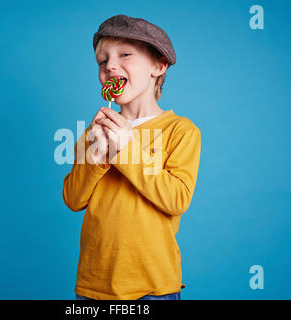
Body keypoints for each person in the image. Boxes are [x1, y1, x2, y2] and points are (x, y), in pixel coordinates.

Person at [63, 14, 201, 300]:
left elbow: (177, 199)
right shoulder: (94, 131)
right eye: (103, 61)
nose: (110, 65)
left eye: (125, 54)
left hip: (153, 286)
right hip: (94, 285)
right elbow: (73, 199)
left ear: (158, 65)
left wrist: (125, 150)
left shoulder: (180, 130)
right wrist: (97, 155)